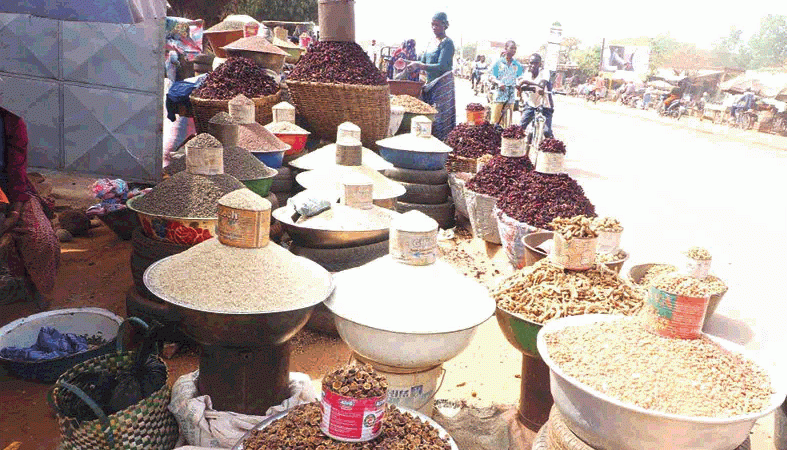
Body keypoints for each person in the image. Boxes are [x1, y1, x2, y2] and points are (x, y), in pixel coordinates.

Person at [1, 89, 60, 309]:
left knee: (40, 239)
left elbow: (16, 169)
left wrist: (15, 211)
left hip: (9, 191)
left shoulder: (11, 122)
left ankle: (37, 288)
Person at [405, 12, 456, 139]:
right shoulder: (430, 42)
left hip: (442, 84)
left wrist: (420, 66)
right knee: (427, 116)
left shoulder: (447, 43)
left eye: (437, 25)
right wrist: (413, 65)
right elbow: (423, 60)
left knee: (440, 118)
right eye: (432, 25)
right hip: (430, 84)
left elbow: (442, 66)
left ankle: (441, 144)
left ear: (445, 25)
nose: (434, 27)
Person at [517, 53, 554, 138]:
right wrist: (528, 86)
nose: (533, 65)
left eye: (536, 63)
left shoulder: (545, 72)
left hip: (545, 105)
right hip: (531, 104)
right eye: (531, 63)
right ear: (528, 63)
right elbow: (522, 88)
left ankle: (552, 147)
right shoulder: (527, 73)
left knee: (547, 132)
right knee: (520, 128)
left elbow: (542, 84)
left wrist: (525, 82)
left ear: (540, 64)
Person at [489, 41, 524, 127]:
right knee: (495, 120)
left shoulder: (517, 64)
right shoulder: (498, 62)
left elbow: (520, 77)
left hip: (511, 95)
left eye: (515, 48)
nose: (514, 50)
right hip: (499, 94)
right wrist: (498, 82)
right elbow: (491, 76)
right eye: (511, 48)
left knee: (507, 121)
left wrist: (519, 84)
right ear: (505, 49)